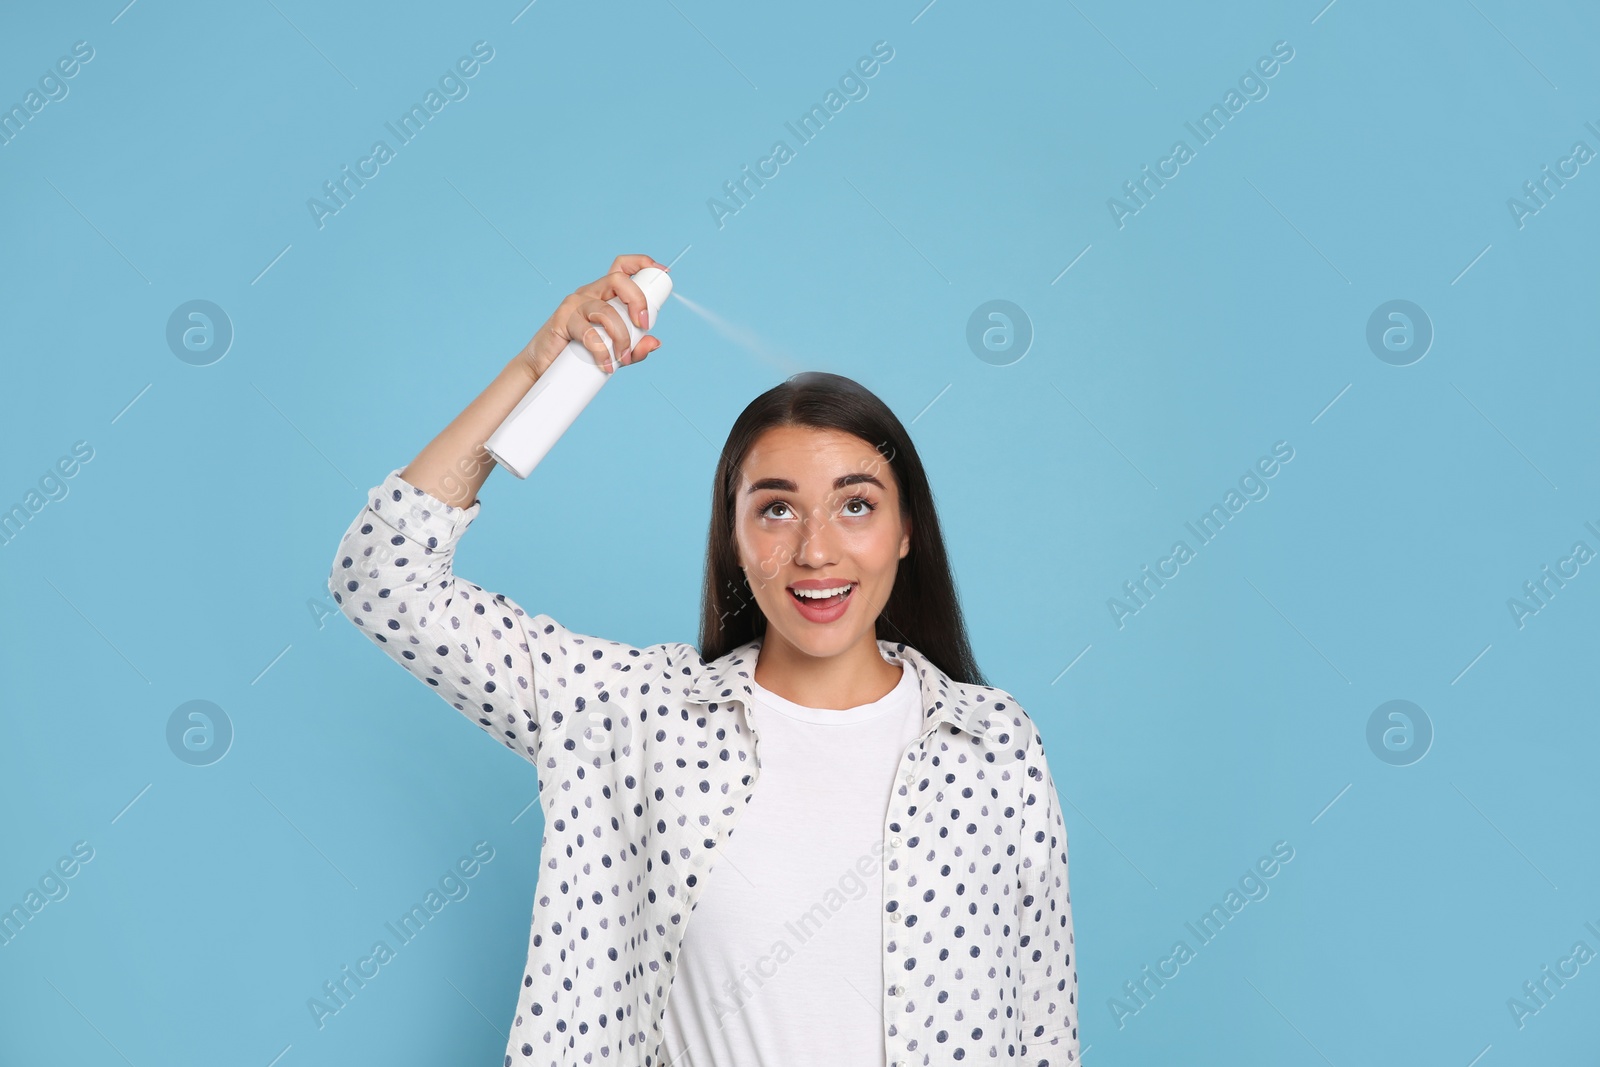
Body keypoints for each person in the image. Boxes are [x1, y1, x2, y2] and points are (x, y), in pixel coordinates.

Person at [328, 254, 1079, 1066]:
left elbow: (1045, 1036)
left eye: (856, 505)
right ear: (734, 535)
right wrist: (536, 369)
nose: (816, 549)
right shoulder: (632, 713)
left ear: (906, 532)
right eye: (777, 508)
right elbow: (382, 577)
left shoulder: (996, 744)